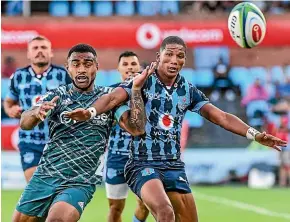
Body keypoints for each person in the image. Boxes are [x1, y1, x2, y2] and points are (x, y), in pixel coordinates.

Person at [66, 36, 287, 222]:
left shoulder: (187, 90)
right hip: (142, 163)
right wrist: (90, 112)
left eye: (180, 56)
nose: (174, 60)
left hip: (173, 164)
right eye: (169, 55)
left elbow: (220, 116)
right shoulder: (142, 81)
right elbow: (112, 97)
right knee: (164, 212)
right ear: (158, 57)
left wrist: (255, 134)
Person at [12, 44, 151, 222]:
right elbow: (25, 123)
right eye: (76, 64)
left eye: (87, 64)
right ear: (67, 68)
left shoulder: (108, 98)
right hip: (45, 176)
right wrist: (35, 114)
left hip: (80, 181)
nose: (82, 69)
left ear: (97, 67)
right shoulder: (57, 96)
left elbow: (137, 129)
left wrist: (136, 90)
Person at [3, 36, 71, 182]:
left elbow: (76, 101)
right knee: (35, 186)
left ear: (51, 52)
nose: (40, 51)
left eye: (44, 48)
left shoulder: (63, 75)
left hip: (58, 140)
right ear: (28, 53)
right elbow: (8, 101)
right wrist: (11, 110)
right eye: (35, 48)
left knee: (57, 188)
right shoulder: (19, 76)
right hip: (30, 139)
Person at [105, 51, 149, 222]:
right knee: (115, 208)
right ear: (118, 68)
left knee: (145, 203)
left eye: (133, 64)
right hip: (116, 157)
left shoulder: (149, 92)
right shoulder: (111, 94)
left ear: (139, 67)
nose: (130, 68)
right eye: (125, 64)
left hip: (142, 156)